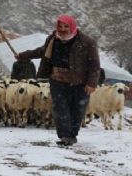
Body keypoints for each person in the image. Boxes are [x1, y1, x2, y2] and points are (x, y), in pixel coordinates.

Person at [16, 14, 100, 146]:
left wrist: (92, 83)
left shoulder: (86, 42)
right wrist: (23, 55)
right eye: (60, 26)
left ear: (72, 26)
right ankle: (65, 136)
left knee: (77, 109)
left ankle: (72, 134)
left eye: (66, 26)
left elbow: (94, 64)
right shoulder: (53, 39)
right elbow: (42, 51)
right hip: (57, 80)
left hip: (79, 81)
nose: (63, 29)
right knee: (60, 108)